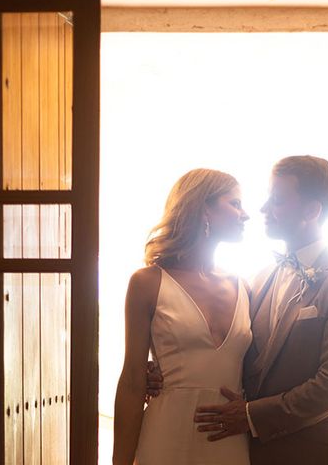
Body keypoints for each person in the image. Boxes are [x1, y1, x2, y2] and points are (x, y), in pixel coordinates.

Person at [150, 155, 328, 465]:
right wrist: (163, 369)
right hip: (251, 452)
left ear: (311, 211)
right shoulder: (255, 280)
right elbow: (231, 350)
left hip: (317, 453)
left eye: (277, 200)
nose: (263, 208)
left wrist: (251, 416)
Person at [112, 169, 252, 465]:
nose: (245, 215)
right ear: (204, 208)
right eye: (235, 204)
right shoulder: (148, 282)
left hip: (229, 441)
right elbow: (133, 382)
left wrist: (253, 410)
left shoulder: (245, 287)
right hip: (165, 438)